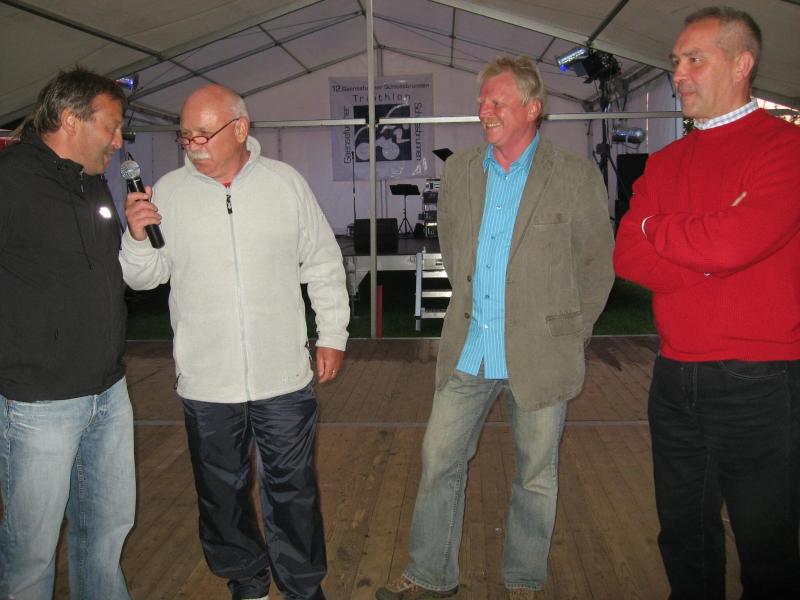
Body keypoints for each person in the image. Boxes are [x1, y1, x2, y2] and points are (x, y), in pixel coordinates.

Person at [376, 56, 614, 600]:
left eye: (498, 102)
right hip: (471, 349)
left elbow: (596, 266)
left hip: (542, 355)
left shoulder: (574, 176)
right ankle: (431, 572)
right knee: (439, 459)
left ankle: (524, 578)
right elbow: (454, 246)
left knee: (535, 475)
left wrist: (570, 333)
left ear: (533, 109)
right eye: (482, 101)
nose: (485, 111)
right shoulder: (461, 171)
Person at [119, 84, 349, 600]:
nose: (192, 145)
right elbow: (143, 278)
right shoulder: (167, 193)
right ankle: (245, 579)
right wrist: (136, 238)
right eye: (185, 135)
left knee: (293, 490)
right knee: (220, 493)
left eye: (203, 134)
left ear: (241, 129)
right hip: (207, 380)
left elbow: (323, 263)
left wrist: (332, 333)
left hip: (282, 377)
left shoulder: (285, 184)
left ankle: (301, 585)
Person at [613, 6, 800, 599]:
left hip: (760, 380)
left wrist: (661, 228)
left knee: (767, 545)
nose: (678, 73)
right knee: (684, 536)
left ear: (742, 64)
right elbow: (628, 256)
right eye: (675, 61)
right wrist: (711, 252)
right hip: (673, 376)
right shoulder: (665, 161)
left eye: (695, 59)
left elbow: (737, 241)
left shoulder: (786, 148)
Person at [0, 67, 135, 599]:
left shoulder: (91, 181)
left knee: (105, 535)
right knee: (31, 553)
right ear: (71, 119)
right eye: (112, 126)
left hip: (108, 392)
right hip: (39, 404)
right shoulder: (11, 179)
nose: (118, 141)